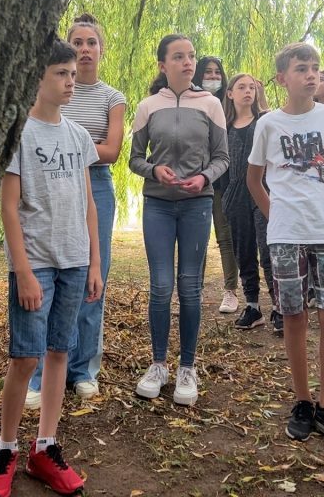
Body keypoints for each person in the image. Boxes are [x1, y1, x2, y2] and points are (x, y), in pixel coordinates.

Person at [0, 40, 103, 497]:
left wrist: (94, 261)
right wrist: (25, 271)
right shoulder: (21, 135)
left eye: (73, 73)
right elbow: (9, 209)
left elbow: (89, 204)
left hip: (75, 261)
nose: (71, 81)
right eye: (61, 74)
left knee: (59, 353)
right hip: (37, 264)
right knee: (25, 356)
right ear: (37, 77)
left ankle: (45, 446)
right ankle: (6, 448)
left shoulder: (77, 136)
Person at [247, 42, 324, 450]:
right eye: (301, 68)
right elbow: (254, 179)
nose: (311, 75)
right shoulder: (269, 124)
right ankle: (303, 401)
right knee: (293, 316)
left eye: (315, 68)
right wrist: (277, 216)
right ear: (282, 79)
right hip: (286, 235)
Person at [26, 14, 126, 408]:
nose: (85, 49)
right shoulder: (52, 90)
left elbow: (112, 152)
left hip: (94, 188)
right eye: (78, 42)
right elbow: (42, 133)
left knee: (90, 281)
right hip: (48, 185)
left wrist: (83, 147)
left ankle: (83, 370)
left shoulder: (111, 98)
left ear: (101, 49)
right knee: (46, 277)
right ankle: (39, 372)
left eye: (92, 42)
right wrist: (88, 146)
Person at [130, 35, 229, 406]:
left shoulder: (210, 105)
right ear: (162, 65)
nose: (188, 63)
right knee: (160, 286)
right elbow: (134, 159)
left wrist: (204, 177)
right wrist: (156, 171)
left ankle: (188, 366)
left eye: (191, 57)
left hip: (196, 205)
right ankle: (158, 364)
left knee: (189, 287)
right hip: (157, 205)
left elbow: (223, 157)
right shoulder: (147, 107)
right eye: (178, 57)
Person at [222, 73, 283, 334]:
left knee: (269, 252)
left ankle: (280, 307)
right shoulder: (223, 126)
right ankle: (253, 306)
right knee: (243, 251)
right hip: (235, 193)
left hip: (263, 190)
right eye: (241, 87)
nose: (248, 91)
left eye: (251, 87)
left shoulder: (266, 122)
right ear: (230, 94)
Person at [194, 56, 241, 313]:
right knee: (197, 238)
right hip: (198, 179)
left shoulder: (229, 104)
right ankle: (195, 290)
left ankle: (230, 291)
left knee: (226, 237)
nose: (212, 77)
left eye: (216, 73)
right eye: (207, 73)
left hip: (223, 181)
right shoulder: (192, 102)